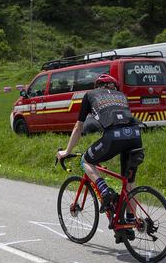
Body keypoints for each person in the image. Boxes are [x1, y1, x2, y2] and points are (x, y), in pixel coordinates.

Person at [56, 74, 144, 220]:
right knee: (129, 182)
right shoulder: (121, 95)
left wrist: (67, 151)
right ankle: (129, 223)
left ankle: (105, 191)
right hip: (135, 135)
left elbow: (79, 127)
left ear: (98, 86)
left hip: (114, 136)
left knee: (86, 160)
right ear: (114, 87)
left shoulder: (90, 95)